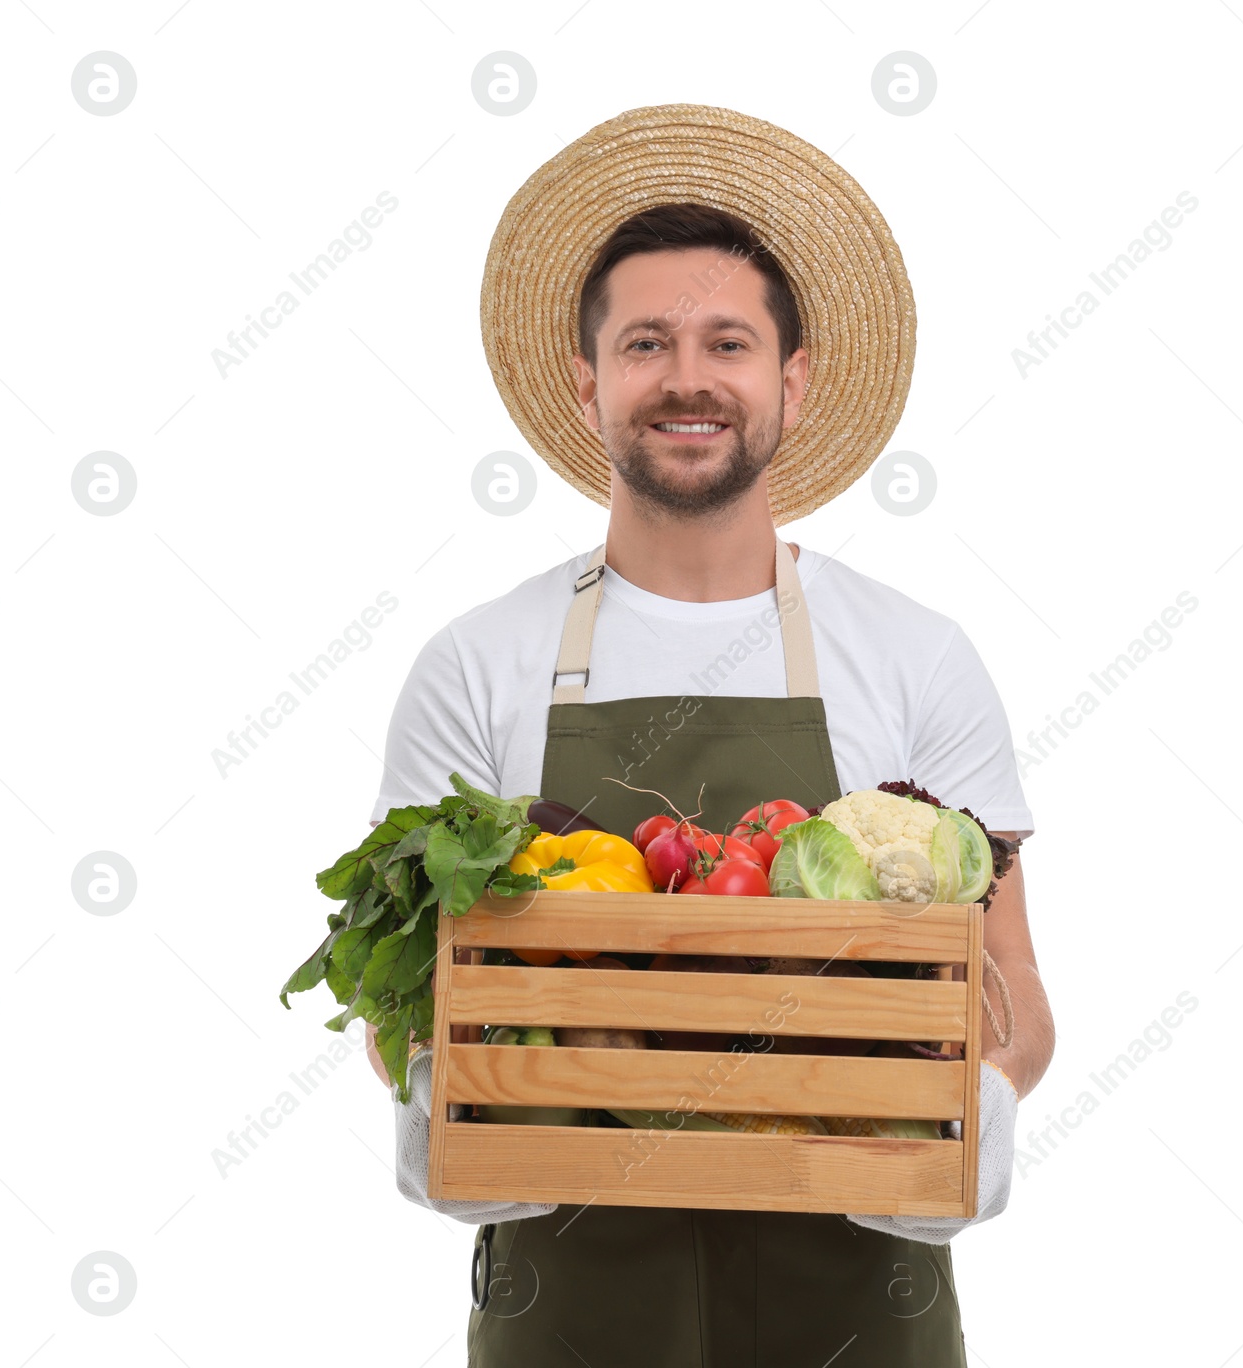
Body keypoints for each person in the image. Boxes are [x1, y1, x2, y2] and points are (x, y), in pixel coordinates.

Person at [367, 105, 1056, 1367]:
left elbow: (1013, 988)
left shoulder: (916, 655)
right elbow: (405, 995)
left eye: (726, 342)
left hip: (862, 1291)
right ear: (589, 383)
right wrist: (434, 1098)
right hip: (567, 1292)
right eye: (646, 343)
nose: (688, 378)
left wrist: (985, 1102)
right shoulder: (476, 665)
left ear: (790, 380)